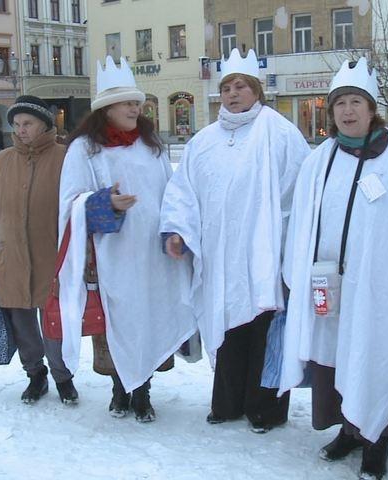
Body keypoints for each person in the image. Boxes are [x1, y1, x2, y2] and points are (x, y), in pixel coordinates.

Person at [279, 58, 388, 479]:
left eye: (355, 102)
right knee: (334, 364)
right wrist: (297, 273)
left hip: (383, 290)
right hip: (329, 289)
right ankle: (348, 431)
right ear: (331, 113)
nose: (347, 111)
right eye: (339, 105)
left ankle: (376, 441)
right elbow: (302, 223)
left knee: (374, 358)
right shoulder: (320, 160)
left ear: (372, 109)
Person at [159, 48, 310, 433]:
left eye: (240, 85)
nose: (232, 93)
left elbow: (299, 192)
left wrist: (287, 243)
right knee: (227, 328)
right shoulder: (204, 140)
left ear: (256, 90)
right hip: (219, 255)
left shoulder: (280, 134)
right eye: (226, 86)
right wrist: (177, 229)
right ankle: (226, 402)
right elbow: (183, 190)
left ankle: (265, 409)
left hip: (264, 256)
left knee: (263, 331)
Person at [58, 56, 196, 423]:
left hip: (153, 253)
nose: (135, 107)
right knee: (119, 320)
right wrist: (105, 203)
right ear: (106, 108)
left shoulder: (151, 146)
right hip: (112, 255)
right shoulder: (84, 150)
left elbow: (172, 192)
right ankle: (121, 387)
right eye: (126, 102)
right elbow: (69, 203)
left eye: (137, 102)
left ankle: (143, 390)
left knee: (149, 317)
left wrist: (175, 230)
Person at [0, 95, 78, 405]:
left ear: (45, 125)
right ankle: (35, 375)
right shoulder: (2, 162)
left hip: (52, 257)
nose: (21, 130)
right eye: (17, 124)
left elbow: (78, 209)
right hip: (10, 258)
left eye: (28, 124)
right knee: (22, 323)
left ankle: (63, 376)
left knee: (54, 322)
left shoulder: (66, 158)